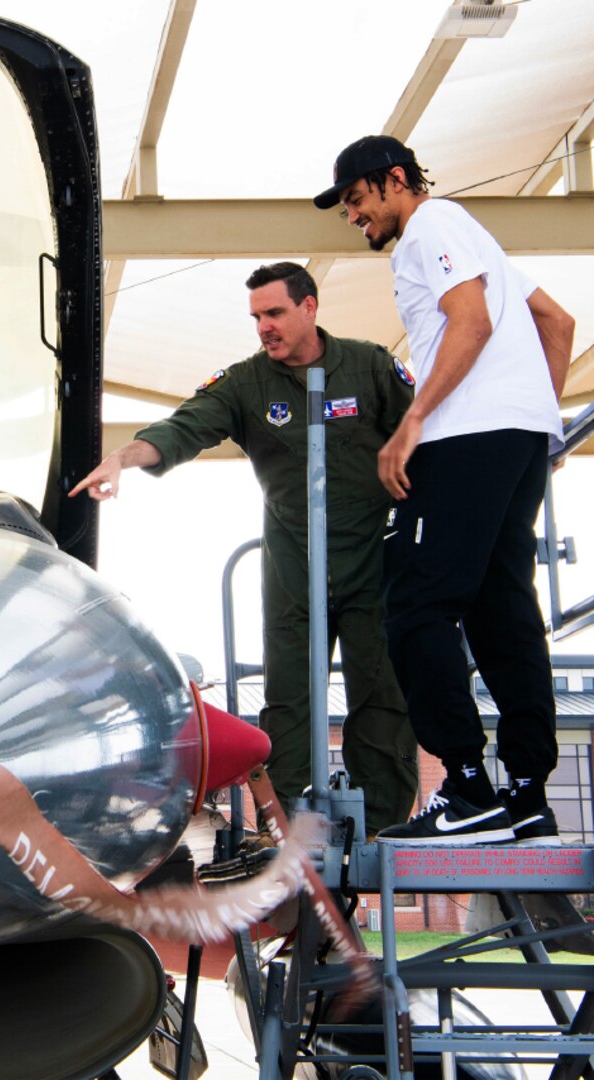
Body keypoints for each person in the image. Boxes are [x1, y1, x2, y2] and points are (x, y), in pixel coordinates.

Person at [69, 262, 419, 836]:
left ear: (310, 307)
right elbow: (183, 429)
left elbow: (426, 429)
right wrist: (123, 459)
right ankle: (279, 824)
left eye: (275, 313)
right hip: (292, 564)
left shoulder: (371, 366)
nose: (264, 327)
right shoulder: (246, 383)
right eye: (256, 317)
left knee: (383, 694)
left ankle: (380, 827)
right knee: (287, 702)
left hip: (373, 559)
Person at [317, 135, 575, 845]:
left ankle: (464, 788)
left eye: (358, 200)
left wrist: (413, 424)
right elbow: (558, 322)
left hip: (465, 439)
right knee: (500, 609)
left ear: (395, 181)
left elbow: (472, 320)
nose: (352, 216)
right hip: (512, 440)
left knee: (415, 602)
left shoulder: (431, 225)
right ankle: (526, 795)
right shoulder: (473, 235)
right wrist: (538, 423)